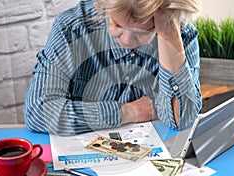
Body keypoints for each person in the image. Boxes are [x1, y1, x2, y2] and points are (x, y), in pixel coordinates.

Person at [24, 0, 202, 135]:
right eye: (117, 25)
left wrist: (169, 36)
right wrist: (128, 112)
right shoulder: (72, 28)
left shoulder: (181, 36)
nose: (126, 40)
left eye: (142, 32)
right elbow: (39, 111)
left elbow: (181, 120)